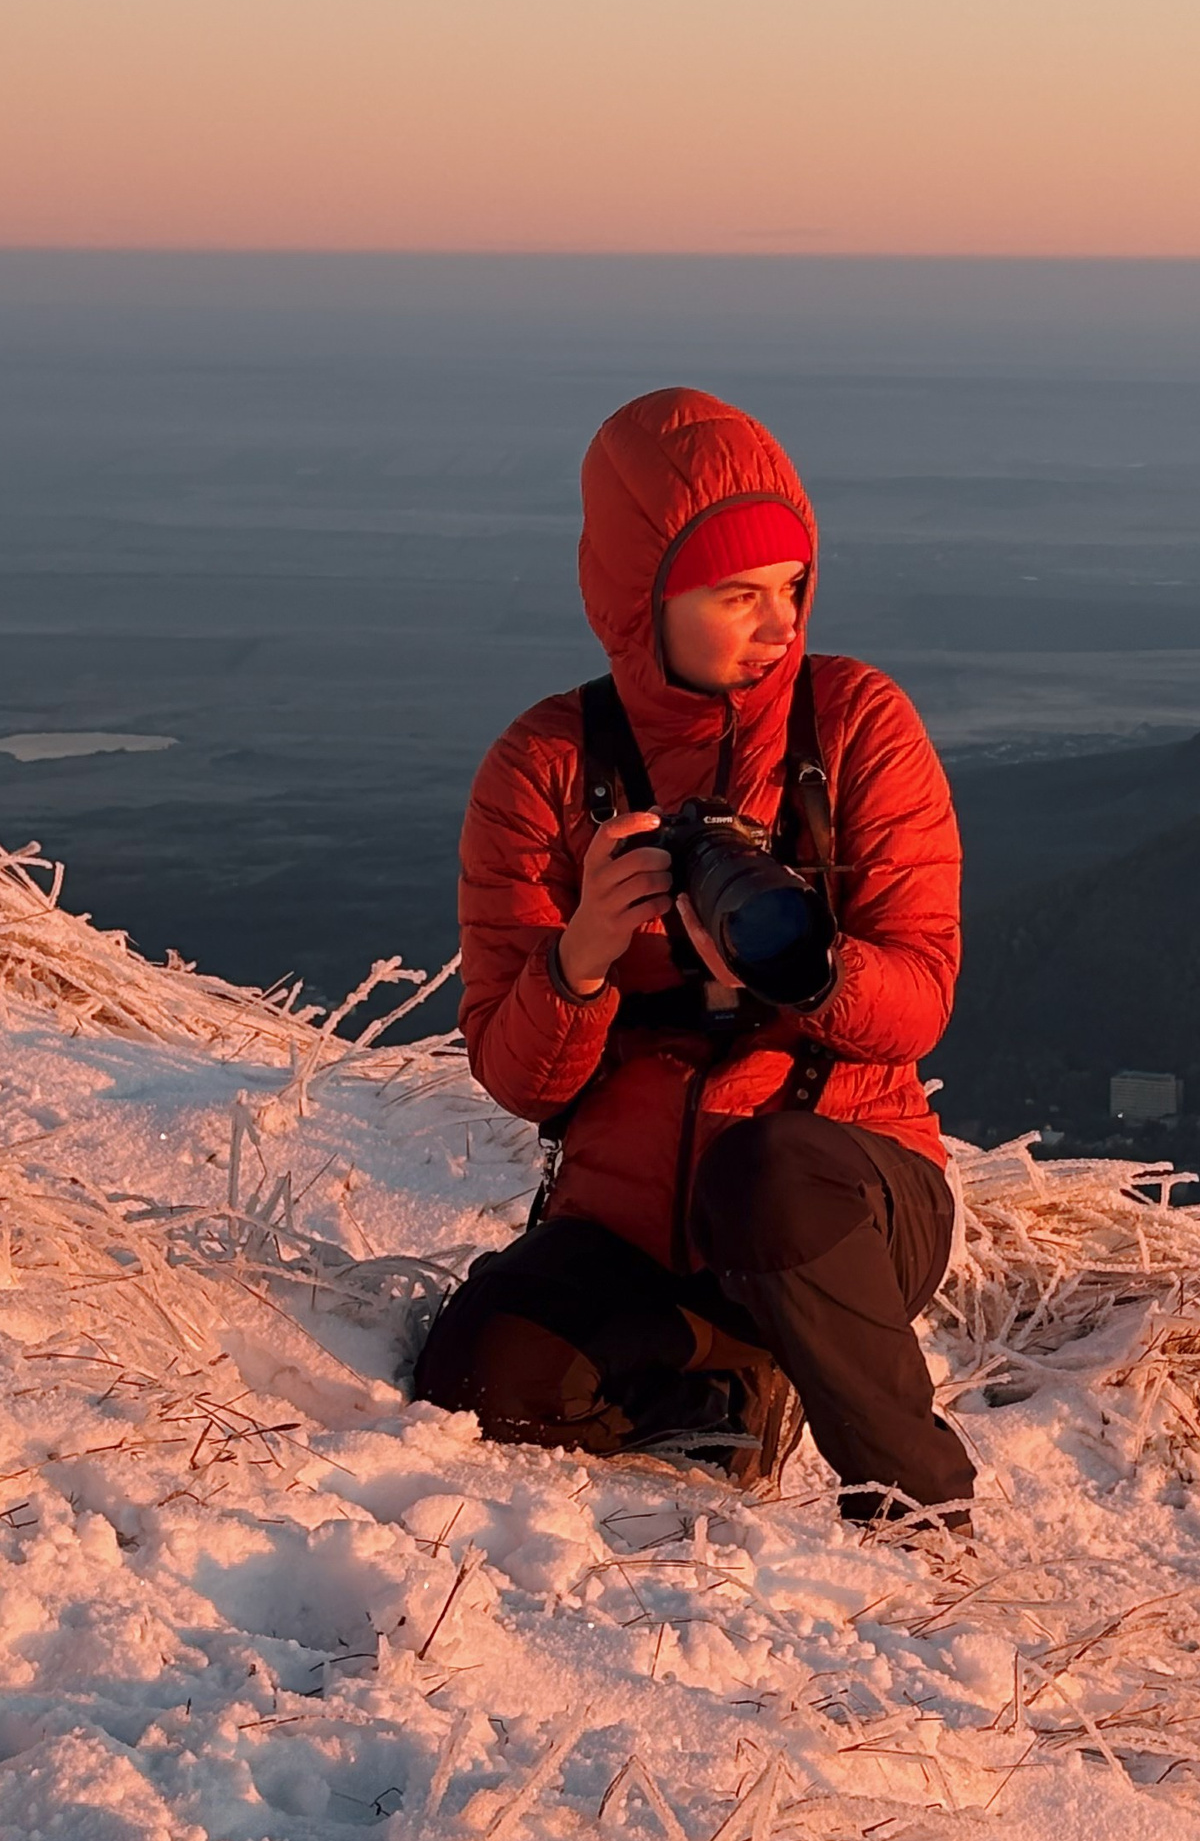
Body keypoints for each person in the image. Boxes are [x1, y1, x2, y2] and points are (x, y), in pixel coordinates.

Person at [411, 386, 976, 1532]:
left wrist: (809, 972)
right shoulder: (548, 770)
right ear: (640, 599)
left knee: (764, 1176)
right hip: (628, 1223)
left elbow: (919, 1002)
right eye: (736, 595)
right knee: (480, 1370)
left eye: (792, 588)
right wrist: (579, 961)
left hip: (843, 1196)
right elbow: (519, 1079)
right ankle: (719, 1391)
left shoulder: (854, 726)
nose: (780, 624)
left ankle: (917, 1511)